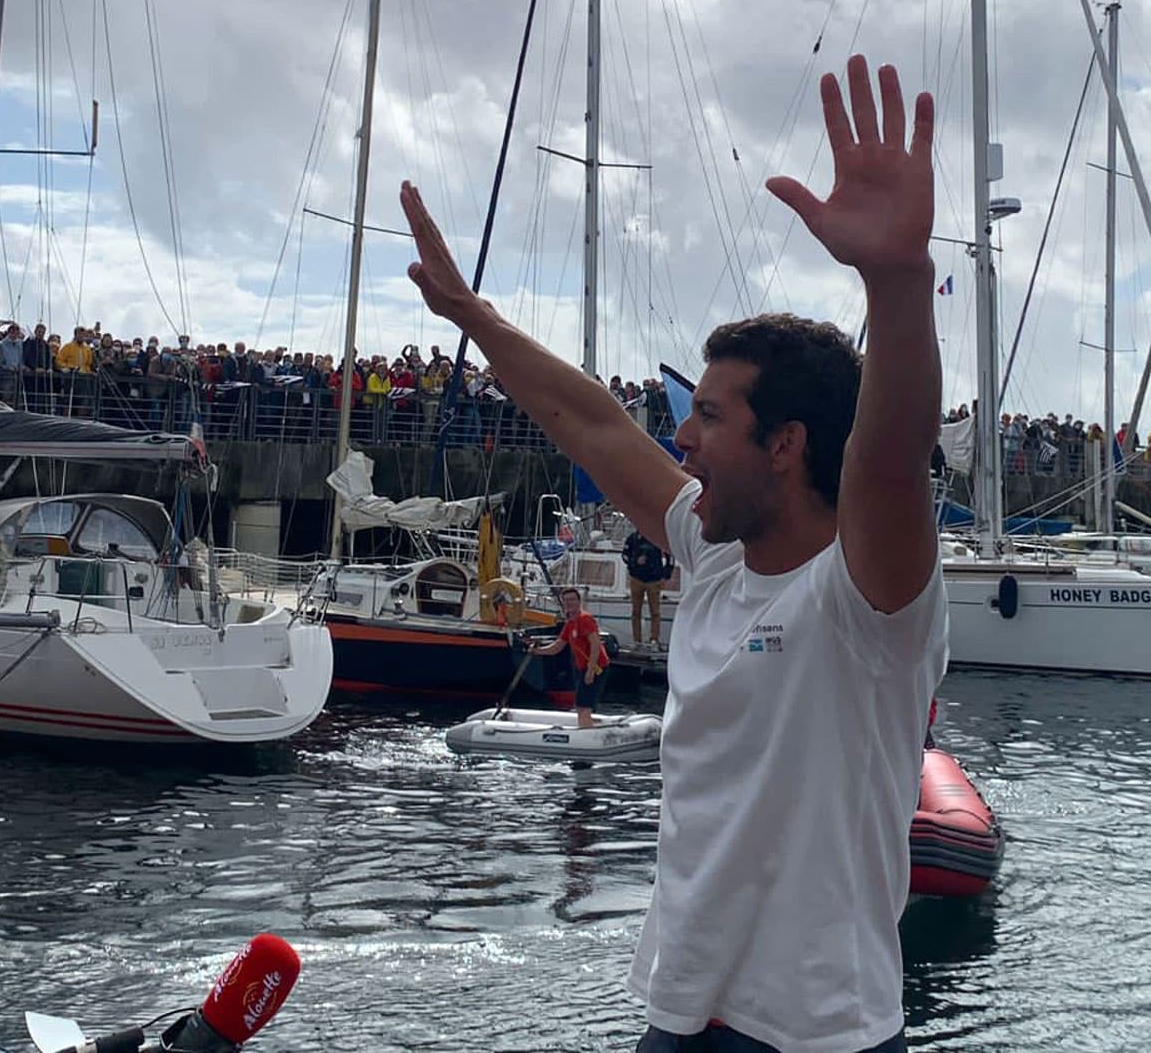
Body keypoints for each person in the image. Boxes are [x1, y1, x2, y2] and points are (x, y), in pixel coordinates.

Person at [399, 53, 947, 1053]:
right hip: (682, 1012)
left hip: (816, 1036)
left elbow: (892, 460)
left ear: (785, 447)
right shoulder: (718, 551)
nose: (680, 440)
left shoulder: (867, 600)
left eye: (706, 416)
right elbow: (594, 426)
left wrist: (898, 282)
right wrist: (472, 320)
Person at [528, 586, 609, 728]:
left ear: (579, 601)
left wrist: (590, 670)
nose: (569, 603)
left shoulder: (585, 619)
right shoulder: (570, 623)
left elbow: (595, 644)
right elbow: (557, 646)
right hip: (581, 667)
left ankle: (586, 733)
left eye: (572, 600)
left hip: (595, 667)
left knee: (584, 705)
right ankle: (589, 723)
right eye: (566, 600)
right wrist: (538, 651)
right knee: (580, 704)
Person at [623, 528, 672, 649]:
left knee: (655, 612)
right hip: (636, 579)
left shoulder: (658, 539)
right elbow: (624, 556)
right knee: (636, 612)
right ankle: (637, 640)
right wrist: (635, 561)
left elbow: (670, 557)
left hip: (654, 580)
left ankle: (654, 639)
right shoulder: (632, 539)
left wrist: (665, 575)